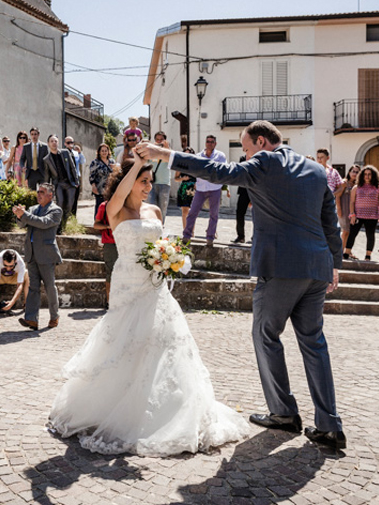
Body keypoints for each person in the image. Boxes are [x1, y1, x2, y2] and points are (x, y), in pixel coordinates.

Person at [136, 120, 346, 450]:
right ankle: (330, 425)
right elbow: (330, 223)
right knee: (314, 342)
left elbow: (218, 171)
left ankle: (283, 413)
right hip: (317, 267)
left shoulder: (264, 162)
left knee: (265, 334)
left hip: (281, 268)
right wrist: (335, 263)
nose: (245, 156)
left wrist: (166, 153)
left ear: (261, 142)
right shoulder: (316, 169)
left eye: (246, 149)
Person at [47, 155, 250, 456]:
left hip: (154, 283)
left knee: (163, 341)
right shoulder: (114, 209)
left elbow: (159, 244)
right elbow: (118, 197)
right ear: (128, 181)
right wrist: (138, 163)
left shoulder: (154, 210)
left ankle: (164, 411)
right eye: (143, 181)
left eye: (150, 182)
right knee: (126, 340)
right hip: (128, 282)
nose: (148, 187)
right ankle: (117, 408)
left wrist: (169, 259)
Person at [13, 183, 62, 329]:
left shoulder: (56, 210)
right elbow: (22, 225)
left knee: (49, 287)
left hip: (47, 255)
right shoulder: (33, 209)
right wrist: (19, 216)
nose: (38, 194)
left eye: (42, 192)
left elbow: (43, 223)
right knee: (33, 287)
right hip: (32, 254)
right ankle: (31, 319)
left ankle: (54, 316)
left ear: (50, 195)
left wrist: (25, 215)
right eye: (38, 192)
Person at [184, 135, 227, 246]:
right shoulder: (199, 156)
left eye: (212, 142)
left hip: (215, 188)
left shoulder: (220, 156)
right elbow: (194, 170)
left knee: (214, 214)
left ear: (215, 143)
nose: (209, 143)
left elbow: (223, 171)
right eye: (208, 141)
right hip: (201, 188)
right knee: (192, 212)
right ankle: (186, 235)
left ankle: (210, 237)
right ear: (205, 142)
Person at [346, 165, 379, 261]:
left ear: (373, 176)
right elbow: (352, 202)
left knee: (370, 235)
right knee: (352, 234)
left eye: (369, 174)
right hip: (358, 215)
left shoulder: (378, 188)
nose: (367, 176)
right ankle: (346, 253)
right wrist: (352, 214)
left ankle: (368, 255)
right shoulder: (356, 187)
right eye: (365, 174)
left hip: (372, 215)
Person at [43, 134, 78, 232]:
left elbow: (72, 167)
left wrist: (76, 181)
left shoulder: (65, 152)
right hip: (58, 184)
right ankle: (58, 226)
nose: (54, 143)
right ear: (48, 144)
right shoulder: (46, 159)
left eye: (55, 141)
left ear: (58, 143)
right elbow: (47, 175)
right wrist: (46, 189)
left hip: (70, 183)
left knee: (70, 204)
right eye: (52, 141)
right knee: (60, 203)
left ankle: (64, 224)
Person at [0, 249, 29, 315]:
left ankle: (26, 304)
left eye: (11, 266)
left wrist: (12, 302)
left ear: (15, 261)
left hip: (14, 278)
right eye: (5, 265)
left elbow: (20, 285)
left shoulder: (20, 263)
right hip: (1, 278)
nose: (8, 268)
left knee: (28, 274)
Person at [93, 200, 117, 308]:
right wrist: (108, 226)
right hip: (110, 243)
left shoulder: (129, 204)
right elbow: (96, 225)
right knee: (111, 273)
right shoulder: (104, 206)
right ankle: (110, 302)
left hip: (127, 242)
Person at [334, 164, 360, 256]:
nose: (355, 173)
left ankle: (347, 251)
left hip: (353, 211)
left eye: (357, 172)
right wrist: (339, 209)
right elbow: (337, 196)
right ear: (349, 172)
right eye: (353, 171)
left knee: (350, 232)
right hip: (344, 209)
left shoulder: (358, 185)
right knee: (345, 231)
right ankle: (339, 252)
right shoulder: (344, 182)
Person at [146, 131, 171, 223]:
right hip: (151, 183)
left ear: (165, 140)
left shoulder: (169, 151)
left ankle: (161, 228)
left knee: (162, 210)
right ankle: (151, 228)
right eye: (157, 140)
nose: (159, 141)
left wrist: (166, 148)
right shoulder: (151, 151)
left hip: (164, 184)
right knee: (150, 207)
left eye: (161, 140)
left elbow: (171, 162)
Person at [175, 146, 197, 232]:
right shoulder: (180, 166)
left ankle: (192, 232)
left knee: (192, 212)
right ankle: (185, 231)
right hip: (184, 188)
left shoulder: (196, 165)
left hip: (194, 188)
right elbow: (176, 178)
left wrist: (197, 184)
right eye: (185, 154)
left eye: (189, 154)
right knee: (184, 211)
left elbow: (200, 176)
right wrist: (182, 179)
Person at [89, 143, 115, 213]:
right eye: (102, 151)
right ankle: (97, 222)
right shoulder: (95, 162)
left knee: (109, 207)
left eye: (105, 151)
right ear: (99, 152)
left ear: (108, 152)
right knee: (99, 206)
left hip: (110, 188)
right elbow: (91, 176)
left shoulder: (112, 162)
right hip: (99, 188)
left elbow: (116, 174)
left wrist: (116, 168)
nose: (104, 152)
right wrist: (93, 186)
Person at [232, 156, 252, 244]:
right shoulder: (243, 159)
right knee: (239, 213)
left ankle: (256, 237)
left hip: (254, 190)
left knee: (257, 215)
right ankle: (240, 236)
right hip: (243, 190)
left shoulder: (258, 158)